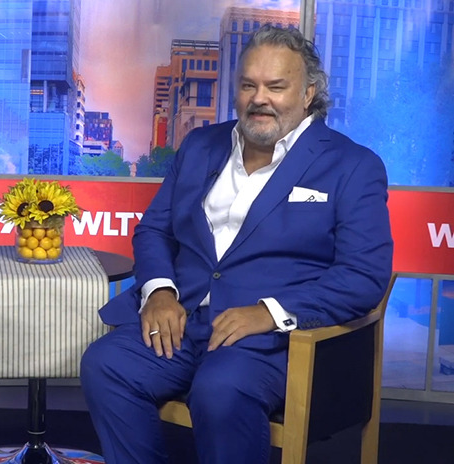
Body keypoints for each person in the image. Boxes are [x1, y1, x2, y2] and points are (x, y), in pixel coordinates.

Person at [80, 25, 393, 464]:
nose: (259, 98)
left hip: (269, 342)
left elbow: (363, 277)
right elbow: (154, 230)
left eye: (276, 87)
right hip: (182, 322)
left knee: (220, 389)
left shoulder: (353, 166)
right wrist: (159, 291)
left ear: (308, 94)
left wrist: (268, 313)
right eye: (248, 85)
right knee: (105, 364)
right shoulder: (199, 146)